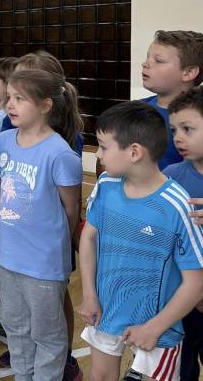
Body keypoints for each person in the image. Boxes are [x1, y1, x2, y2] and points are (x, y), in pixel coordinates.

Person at [79, 101, 203, 381]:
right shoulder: (106, 185)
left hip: (158, 328)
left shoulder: (177, 205)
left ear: (134, 152)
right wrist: (89, 294)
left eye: (103, 147)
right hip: (105, 313)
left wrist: (154, 327)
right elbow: (88, 237)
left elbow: (196, 282)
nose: (97, 154)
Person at [0, 69, 83, 381]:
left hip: (43, 263)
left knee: (47, 335)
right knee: (15, 327)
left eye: (20, 99)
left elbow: (71, 210)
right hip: (6, 256)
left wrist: (55, 246)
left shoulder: (60, 153)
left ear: (45, 105)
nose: (10, 105)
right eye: (9, 97)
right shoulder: (3, 141)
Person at [165, 87, 203, 381]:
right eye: (174, 130)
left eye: (188, 129)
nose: (178, 137)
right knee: (183, 364)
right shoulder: (171, 176)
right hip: (181, 296)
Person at [141, 30, 203, 170]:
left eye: (158, 60)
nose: (145, 64)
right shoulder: (134, 109)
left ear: (188, 73)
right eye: (147, 57)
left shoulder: (199, 120)